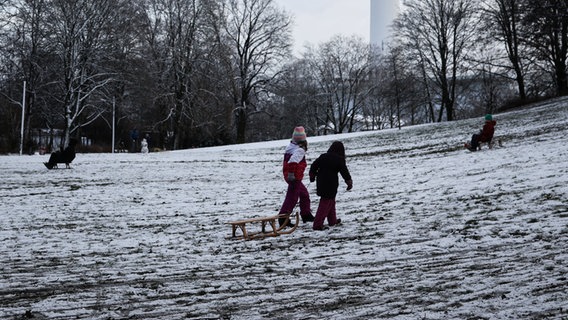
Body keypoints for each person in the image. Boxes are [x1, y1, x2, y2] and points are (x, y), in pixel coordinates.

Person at [309, 141, 353, 231]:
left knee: (331, 201)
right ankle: (317, 225)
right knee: (325, 203)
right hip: (331, 183)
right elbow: (344, 172)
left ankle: (332, 221)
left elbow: (313, 166)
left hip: (321, 181)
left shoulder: (323, 156)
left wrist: (312, 176)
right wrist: (349, 183)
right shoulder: (339, 159)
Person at [278, 126, 315, 228]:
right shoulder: (299, 150)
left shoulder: (290, 146)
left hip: (290, 175)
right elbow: (292, 162)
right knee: (292, 198)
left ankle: (306, 214)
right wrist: (291, 175)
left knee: (304, 195)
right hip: (294, 177)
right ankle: (283, 218)